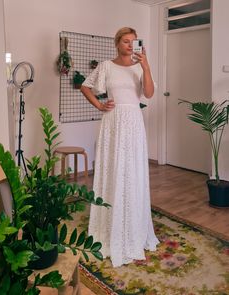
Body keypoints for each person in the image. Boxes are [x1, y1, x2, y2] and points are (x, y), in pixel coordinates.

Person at [80, 27, 159, 267]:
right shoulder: (105, 66)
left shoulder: (139, 66)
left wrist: (145, 67)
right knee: (113, 169)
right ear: (117, 43)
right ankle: (109, 228)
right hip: (113, 122)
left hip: (134, 122)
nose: (129, 45)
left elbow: (149, 93)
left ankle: (132, 226)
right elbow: (85, 86)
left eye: (133, 42)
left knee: (133, 172)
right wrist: (99, 105)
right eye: (126, 41)